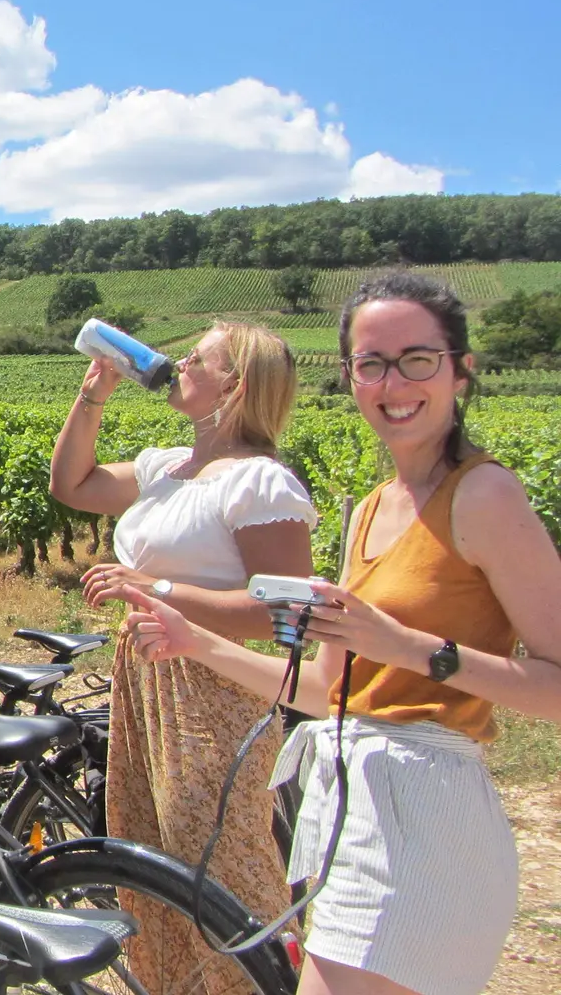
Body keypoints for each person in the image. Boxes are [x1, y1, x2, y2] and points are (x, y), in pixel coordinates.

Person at [122, 273, 561, 995]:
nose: (394, 382)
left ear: (462, 370)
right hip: (353, 806)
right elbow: (327, 691)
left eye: (417, 359)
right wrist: (193, 640)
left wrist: (409, 648)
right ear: (351, 378)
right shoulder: (370, 509)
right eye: (371, 363)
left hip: (428, 812)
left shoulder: (484, 494)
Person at [49, 320, 314, 994]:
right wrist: (93, 396)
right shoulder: (166, 467)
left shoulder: (261, 483)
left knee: (219, 863)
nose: (178, 364)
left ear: (237, 384)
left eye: (198, 358)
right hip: (143, 676)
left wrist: (153, 587)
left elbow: (285, 618)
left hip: (214, 688)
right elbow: (72, 485)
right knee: (150, 853)